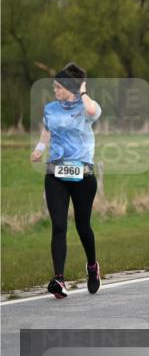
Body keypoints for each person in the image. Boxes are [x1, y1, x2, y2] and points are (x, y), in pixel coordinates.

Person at [31, 63, 102, 298]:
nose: (55, 89)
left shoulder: (86, 107)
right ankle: (59, 280)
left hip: (82, 175)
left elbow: (92, 112)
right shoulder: (51, 108)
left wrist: (81, 92)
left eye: (59, 86)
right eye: (54, 86)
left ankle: (92, 266)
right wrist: (40, 148)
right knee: (59, 226)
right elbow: (48, 130)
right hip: (56, 175)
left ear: (70, 87)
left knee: (83, 227)